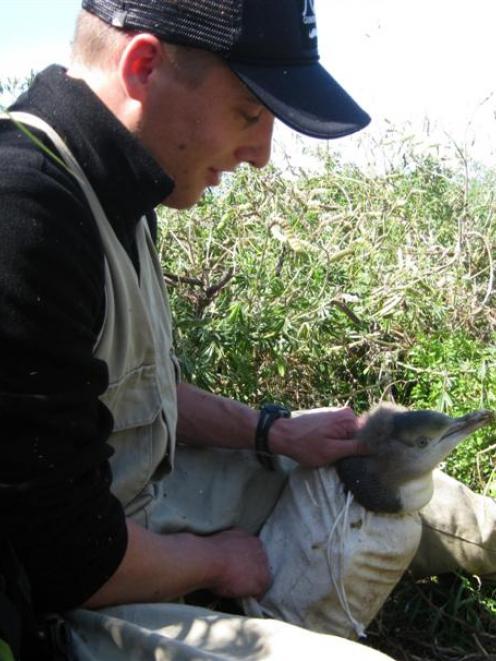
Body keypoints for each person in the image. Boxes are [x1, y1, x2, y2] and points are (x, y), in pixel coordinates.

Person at [0, 1, 494, 659]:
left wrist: (277, 433)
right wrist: (216, 562)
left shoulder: (116, 173)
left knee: (388, 467)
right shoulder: (24, 213)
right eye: (250, 113)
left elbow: (137, 387)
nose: (261, 155)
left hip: (136, 498)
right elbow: (68, 559)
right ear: (144, 66)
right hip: (68, 592)